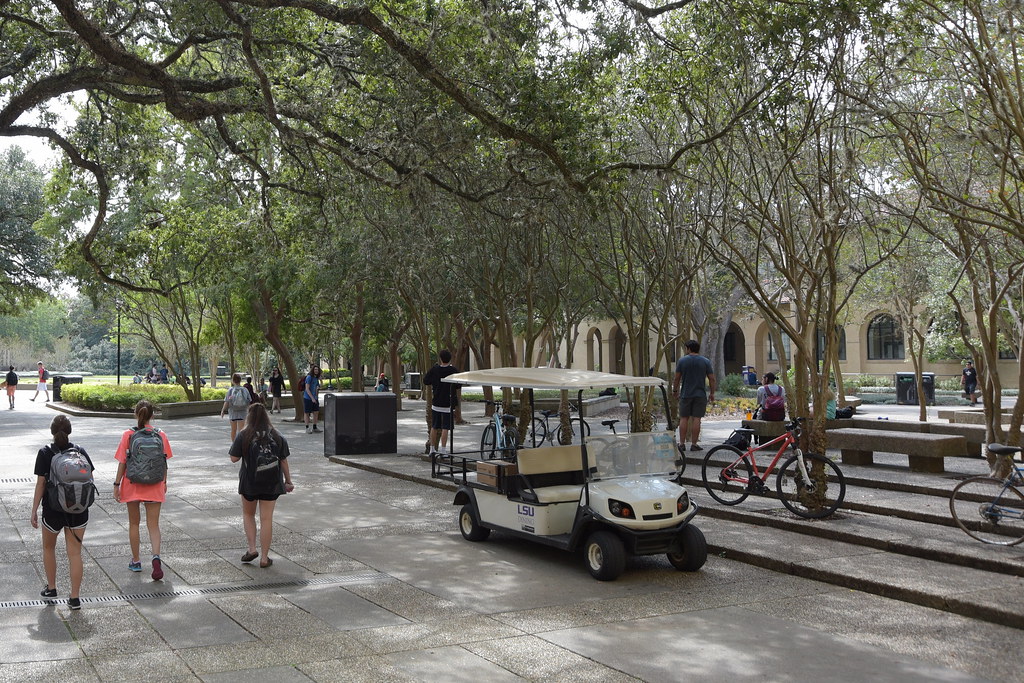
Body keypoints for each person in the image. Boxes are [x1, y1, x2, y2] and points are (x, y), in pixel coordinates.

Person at [31, 415, 93, 610]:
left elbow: (41, 484)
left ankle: (51, 588)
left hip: (53, 510)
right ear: (69, 431)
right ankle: (74, 598)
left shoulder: (44, 453)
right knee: (75, 554)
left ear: (52, 432)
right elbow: (89, 477)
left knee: (49, 548)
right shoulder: (80, 451)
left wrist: (34, 510)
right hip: (79, 509)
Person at [229, 402, 294, 568]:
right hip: (271, 483)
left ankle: (252, 549)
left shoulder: (244, 434)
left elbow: (233, 458)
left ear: (249, 417)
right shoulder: (277, 435)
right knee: (266, 519)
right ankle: (265, 558)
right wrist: (288, 481)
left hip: (250, 482)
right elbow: (284, 460)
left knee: (248, 514)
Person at [113, 400, 172, 581]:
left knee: (134, 524)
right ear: (152, 415)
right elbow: (164, 460)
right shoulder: (160, 434)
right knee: (153, 525)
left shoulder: (128, 435)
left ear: (136, 414)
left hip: (132, 484)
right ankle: (155, 557)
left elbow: (123, 462)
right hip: (155, 483)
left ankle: (136, 561)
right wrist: (164, 481)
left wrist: (117, 484)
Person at [672, 340, 716, 452]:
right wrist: (712, 393)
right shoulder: (705, 361)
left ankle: (681, 443)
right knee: (697, 419)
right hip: (700, 394)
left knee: (684, 418)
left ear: (689, 349)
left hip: (685, 394)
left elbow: (677, 377)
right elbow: (711, 378)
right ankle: (694, 444)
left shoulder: (682, 361)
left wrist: (675, 390)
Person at [423, 349, 459, 455]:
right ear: (450, 359)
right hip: (448, 403)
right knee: (445, 427)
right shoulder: (453, 370)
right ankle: (443, 450)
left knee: (434, 426)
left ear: (440, 359)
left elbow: (426, 380)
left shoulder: (435, 369)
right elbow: (459, 385)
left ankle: (432, 449)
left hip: (436, 402)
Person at [221, 373, 252, 440]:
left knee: (233, 430)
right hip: (243, 413)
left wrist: (223, 410)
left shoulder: (230, 390)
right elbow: (249, 401)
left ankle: (234, 445)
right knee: (241, 431)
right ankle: (241, 445)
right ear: (240, 380)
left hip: (233, 413)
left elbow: (227, 401)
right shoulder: (245, 390)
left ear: (233, 381)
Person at [303, 366, 321, 433]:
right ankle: (307, 428)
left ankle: (314, 427)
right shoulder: (309, 377)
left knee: (316, 412)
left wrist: (316, 397)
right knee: (307, 412)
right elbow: (307, 389)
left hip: (315, 398)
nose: (316, 370)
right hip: (308, 398)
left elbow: (317, 388)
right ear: (312, 370)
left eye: (317, 369)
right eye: (315, 369)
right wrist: (312, 398)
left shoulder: (316, 378)